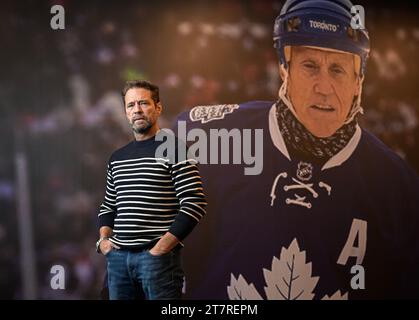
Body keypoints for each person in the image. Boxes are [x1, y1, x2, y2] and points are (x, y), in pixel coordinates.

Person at [174, 0, 419, 299]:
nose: (324, 87)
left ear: (359, 81)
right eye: (310, 66)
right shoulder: (213, 141)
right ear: (284, 68)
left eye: (338, 69)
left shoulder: (396, 187)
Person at [97, 80, 207, 300]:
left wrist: (159, 250)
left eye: (143, 103)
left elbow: (195, 203)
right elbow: (109, 206)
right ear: (125, 112)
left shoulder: (175, 149)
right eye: (130, 105)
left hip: (157, 260)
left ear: (158, 108)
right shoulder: (117, 157)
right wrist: (104, 242)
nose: (136, 110)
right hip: (118, 261)